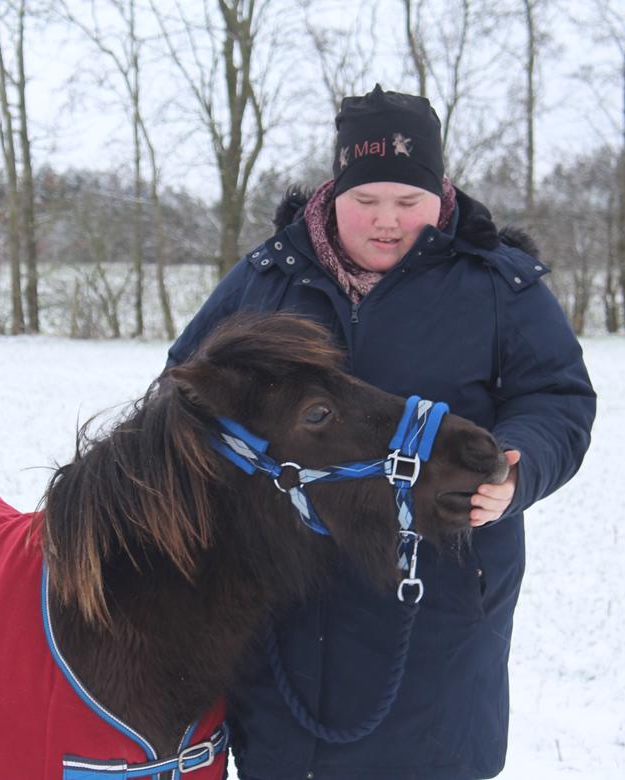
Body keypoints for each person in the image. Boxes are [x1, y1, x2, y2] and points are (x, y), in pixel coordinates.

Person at [166, 85, 596, 780]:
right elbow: (186, 386)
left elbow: (557, 397)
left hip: (439, 593)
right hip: (286, 595)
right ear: (335, 192)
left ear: (442, 191)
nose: (387, 222)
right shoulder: (268, 279)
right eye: (366, 203)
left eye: (408, 203)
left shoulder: (498, 286)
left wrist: (520, 470)